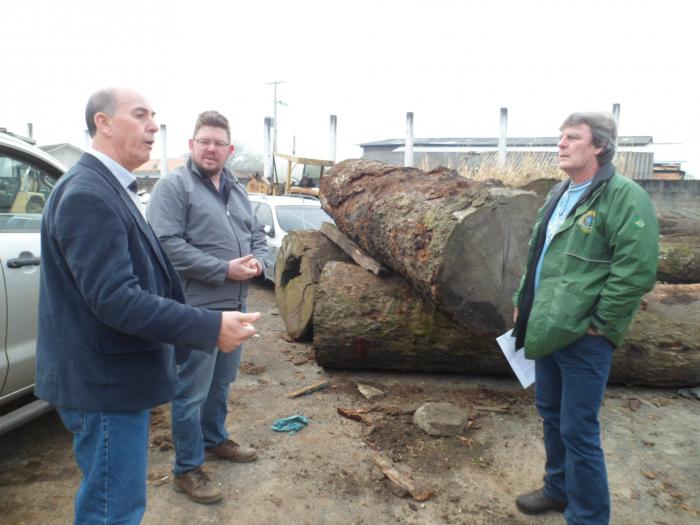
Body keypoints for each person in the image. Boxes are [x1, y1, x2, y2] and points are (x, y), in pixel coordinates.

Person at [35, 88, 260, 525]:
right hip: (103, 386)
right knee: (112, 510)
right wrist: (208, 326)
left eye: (154, 115)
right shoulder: (88, 194)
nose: (154, 125)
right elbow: (117, 300)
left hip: (112, 381)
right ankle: (189, 465)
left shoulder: (108, 188)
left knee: (116, 504)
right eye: (140, 115)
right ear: (103, 123)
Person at [511, 112, 658, 525]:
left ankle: (589, 517)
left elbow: (637, 270)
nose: (561, 144)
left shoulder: (624, 196)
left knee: (578, 429)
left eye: (572, 137)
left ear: (599, 147)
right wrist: (523, 299)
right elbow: (537, 252)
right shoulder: (560, 192)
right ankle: (558, 490)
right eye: (561, 137)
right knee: (552, 415)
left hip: (584, 337)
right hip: (546, 328)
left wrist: (600, 324)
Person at [147, 110, 267, 504]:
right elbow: (167, 244)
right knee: (190, 392)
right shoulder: (174, 187)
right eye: (205, 142)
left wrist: (260, 262)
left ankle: (214, 439)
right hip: (197, 311)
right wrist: (223, 268)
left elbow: (257, 237)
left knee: (221, 384)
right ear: (191, 145)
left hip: (238, 306)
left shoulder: (237, 190)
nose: (211, 149)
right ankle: (186, 468)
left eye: (219, 143)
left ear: (229, 149)